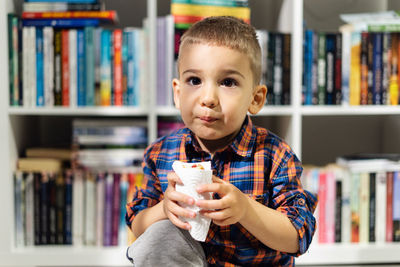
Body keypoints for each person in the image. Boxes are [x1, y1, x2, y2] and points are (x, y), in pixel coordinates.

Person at [126, 16, 317, 266]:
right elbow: (138, 225)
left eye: (228, 82)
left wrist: (246, 210)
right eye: (194, 80)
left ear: (255, 98)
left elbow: (298, 236)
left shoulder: (275, 154)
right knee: (160, 236)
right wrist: (164, 209)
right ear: (178, 92)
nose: (208, 98)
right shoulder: (161, 153)